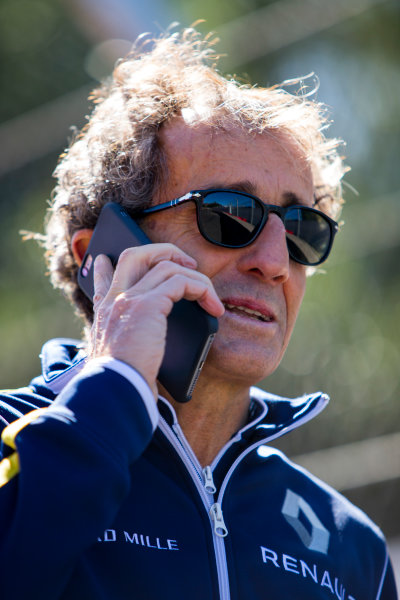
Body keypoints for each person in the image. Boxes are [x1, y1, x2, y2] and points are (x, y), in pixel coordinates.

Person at [0, 27, 397, 600]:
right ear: (101, 255)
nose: (273, 263)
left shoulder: (351, 546)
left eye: (300, 231)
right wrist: (113, 391)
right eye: (229, 216)